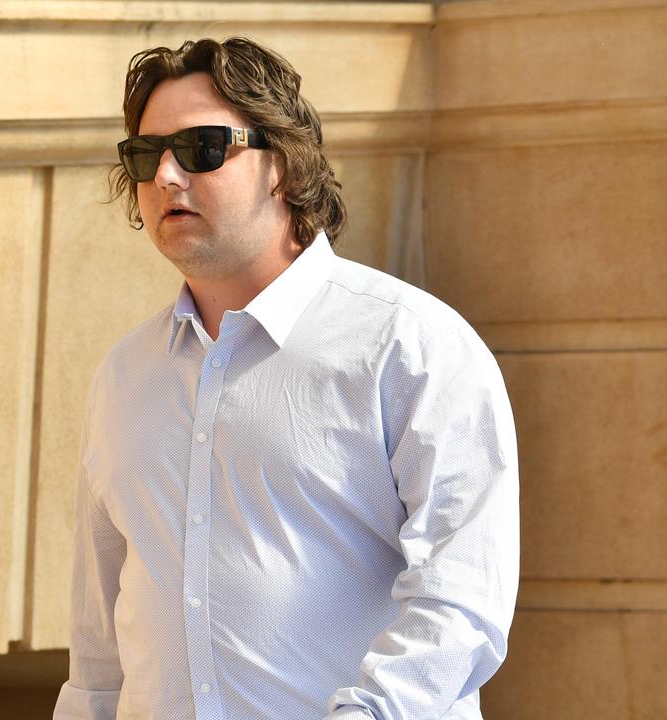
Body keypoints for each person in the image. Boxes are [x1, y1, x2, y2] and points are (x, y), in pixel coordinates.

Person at [53, 37, 519, 720]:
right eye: (147, 155)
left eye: (204, 147)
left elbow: (462, 600)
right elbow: (98, 653)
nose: (168, 178)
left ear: (284, 162)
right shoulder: (124, 377)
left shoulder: (412, 346)